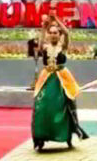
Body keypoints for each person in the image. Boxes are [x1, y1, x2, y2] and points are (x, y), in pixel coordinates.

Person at [31, 13, 88, 151]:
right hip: (46, 79)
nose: (53, 35)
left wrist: (56, 19)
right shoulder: (44, 47)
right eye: (51, 33)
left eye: (56, 32)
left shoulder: (62, 46)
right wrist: (44, 28)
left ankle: (67, 137)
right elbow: (38, 44)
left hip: (62, 80)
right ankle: (40, 138)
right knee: (41, 107)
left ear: (59, 34)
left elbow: (67, 33)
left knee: (64, 107)